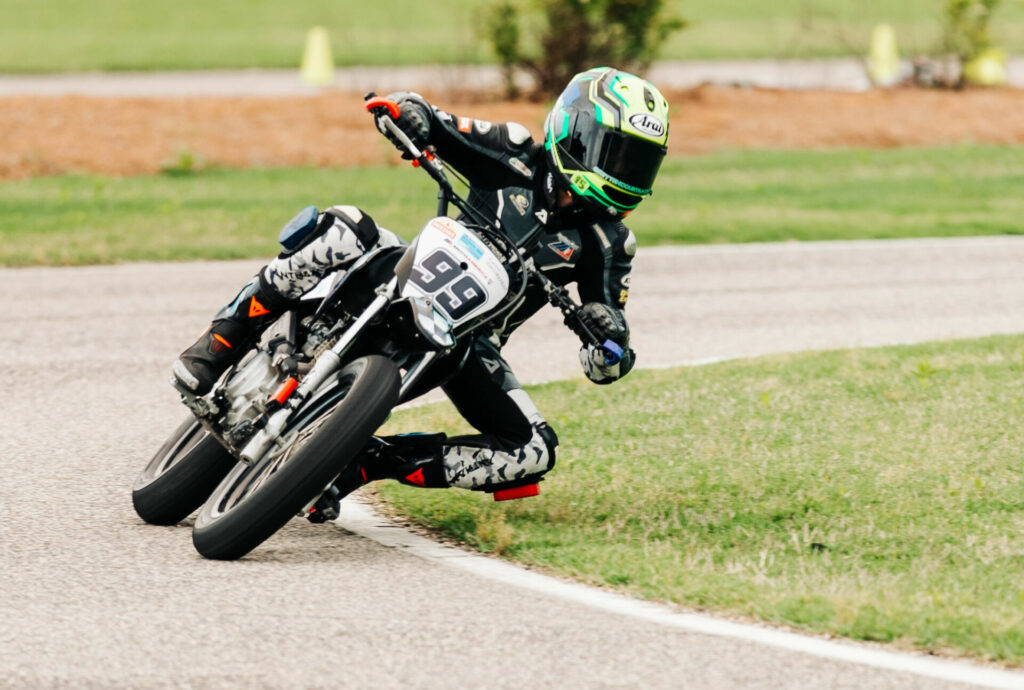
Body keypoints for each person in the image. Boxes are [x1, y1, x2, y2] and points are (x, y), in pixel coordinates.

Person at [173, 66, 670, 504]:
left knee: (533, 450)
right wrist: (407, 112)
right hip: (402, 274)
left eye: (639, 164)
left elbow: (608, 361)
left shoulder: (610, 244)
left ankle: (367, 461)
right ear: (575, 133)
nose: (625, 174)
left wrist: (608, 339)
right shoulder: (517, 152)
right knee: (345, 225)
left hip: (465, 344)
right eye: (618, 155)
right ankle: (219, 342)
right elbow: (438, 122)